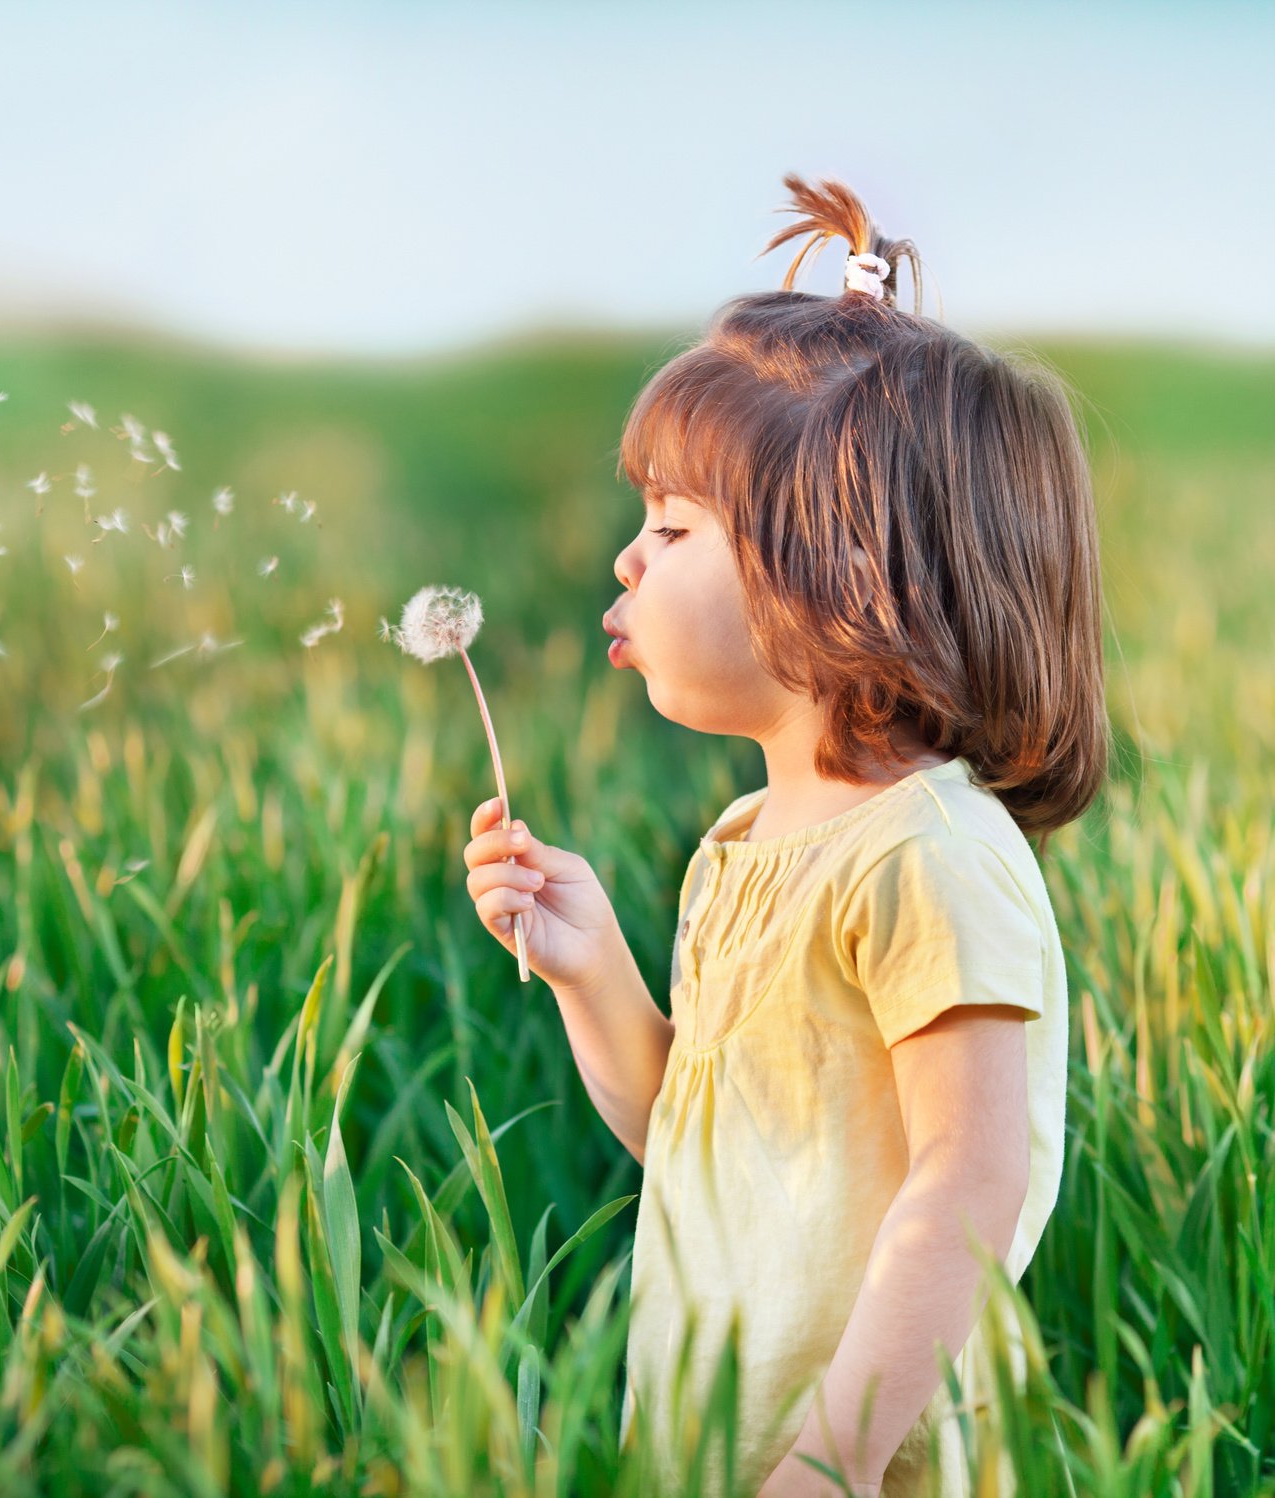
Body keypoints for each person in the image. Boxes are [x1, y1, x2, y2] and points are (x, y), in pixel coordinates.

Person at [461, 172, 1107, 1497]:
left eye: (672, 526)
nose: (629, 561)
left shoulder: (927, 856)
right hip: (716, 1443)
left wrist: (836, 1451)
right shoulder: (744, 847)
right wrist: (594, 974)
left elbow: (970, 1182)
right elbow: (702, 1141)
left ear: (834, 572)